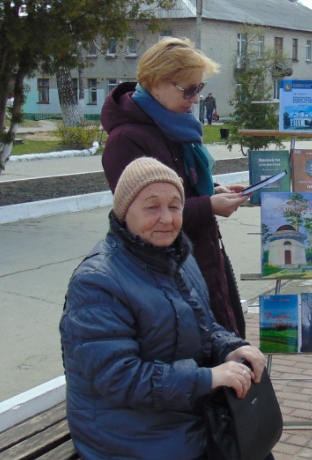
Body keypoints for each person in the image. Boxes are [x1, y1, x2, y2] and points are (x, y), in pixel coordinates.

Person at [60, 157, 291, 460]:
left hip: (174, 411)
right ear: (124, 211)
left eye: (174, 206)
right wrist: (206, 379)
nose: (166, 218)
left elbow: (204, 327)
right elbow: (117, 378)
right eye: (151, 207)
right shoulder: (98, 280)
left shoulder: (176, 256)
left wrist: (232, 346)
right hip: (123, 425)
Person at [101, 37, 248, 336]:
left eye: (199, 88)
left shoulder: (174, 127)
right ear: (156, 84)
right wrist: (207, 206)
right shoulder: (127, 139)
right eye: (189, 89)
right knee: (196, 350)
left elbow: (179, 186)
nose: (195, 99)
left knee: (225, 346)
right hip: (165, 275)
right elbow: (141, 216)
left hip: (203, 257)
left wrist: (212, 190)